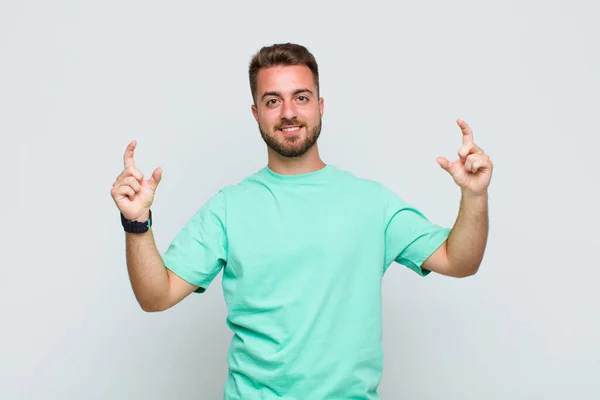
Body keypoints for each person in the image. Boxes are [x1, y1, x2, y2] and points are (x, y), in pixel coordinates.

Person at [110, 43, 493, 399]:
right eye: (272, 100)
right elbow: (155, 296)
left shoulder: (370, 201)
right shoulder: (229, 208)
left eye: (301, 98)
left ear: (320, 106)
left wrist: (474, 195)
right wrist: (137, 222)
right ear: (256, 113)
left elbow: (459, 261)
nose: (289, 112)